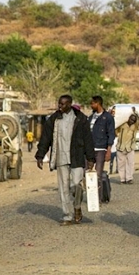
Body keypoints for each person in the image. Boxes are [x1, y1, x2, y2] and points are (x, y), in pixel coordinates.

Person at [35, 95, 95, 226]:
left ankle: (77, 206)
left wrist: (90, 158)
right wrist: (40, 155)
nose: (60, 106)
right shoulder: (54, 119)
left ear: (70, 104)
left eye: (63, 104)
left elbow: (88, 139)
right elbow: (45, 138)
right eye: (59, 104)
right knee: (63, 188)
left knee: (77, 184)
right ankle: (67, 216)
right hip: (61, 158)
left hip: (77, 157)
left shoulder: (80, 119)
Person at [89, 96, 116, 197]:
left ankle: (98, 197)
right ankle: (90, 196)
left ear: (98, 103)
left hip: (101, 149)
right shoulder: (91, 117)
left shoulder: (108, 118)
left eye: (92, 104)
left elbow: (111, 134)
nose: (91, 106)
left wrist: (108, 150)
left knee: (98, 174)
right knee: (87, 173)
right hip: (90, 148)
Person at [116, 112, 139, 184]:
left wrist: (135, 112)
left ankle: (129, 178)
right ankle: (122, 179)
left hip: (130, 147)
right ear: (128, 118)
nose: (132, 121)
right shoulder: (122, 125)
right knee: (121, 164)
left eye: (133, 120)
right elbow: (116, 128)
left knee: (130, 163)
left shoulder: (135, 127)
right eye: (131, 119)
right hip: (121, 147)